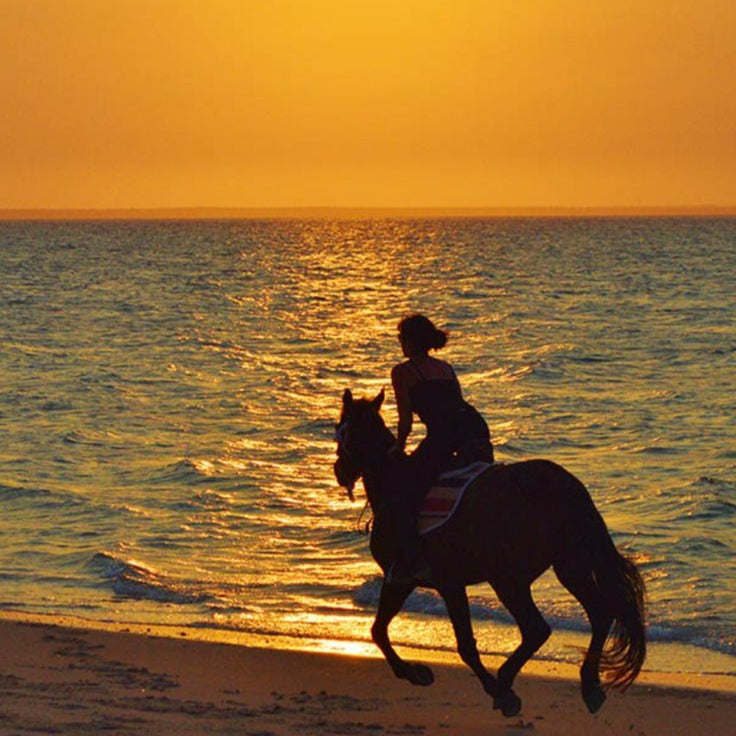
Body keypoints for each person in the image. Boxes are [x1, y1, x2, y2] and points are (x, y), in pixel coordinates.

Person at [387, 313, 494, 583]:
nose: (400, 343)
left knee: (407, 490)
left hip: (446, 436)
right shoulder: (445, 368)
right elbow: (456, 404)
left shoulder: (404, 372)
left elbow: (405, 420)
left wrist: (398, 449)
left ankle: (412, 560)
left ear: (411, 341)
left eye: (401, 338)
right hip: (476, 429)